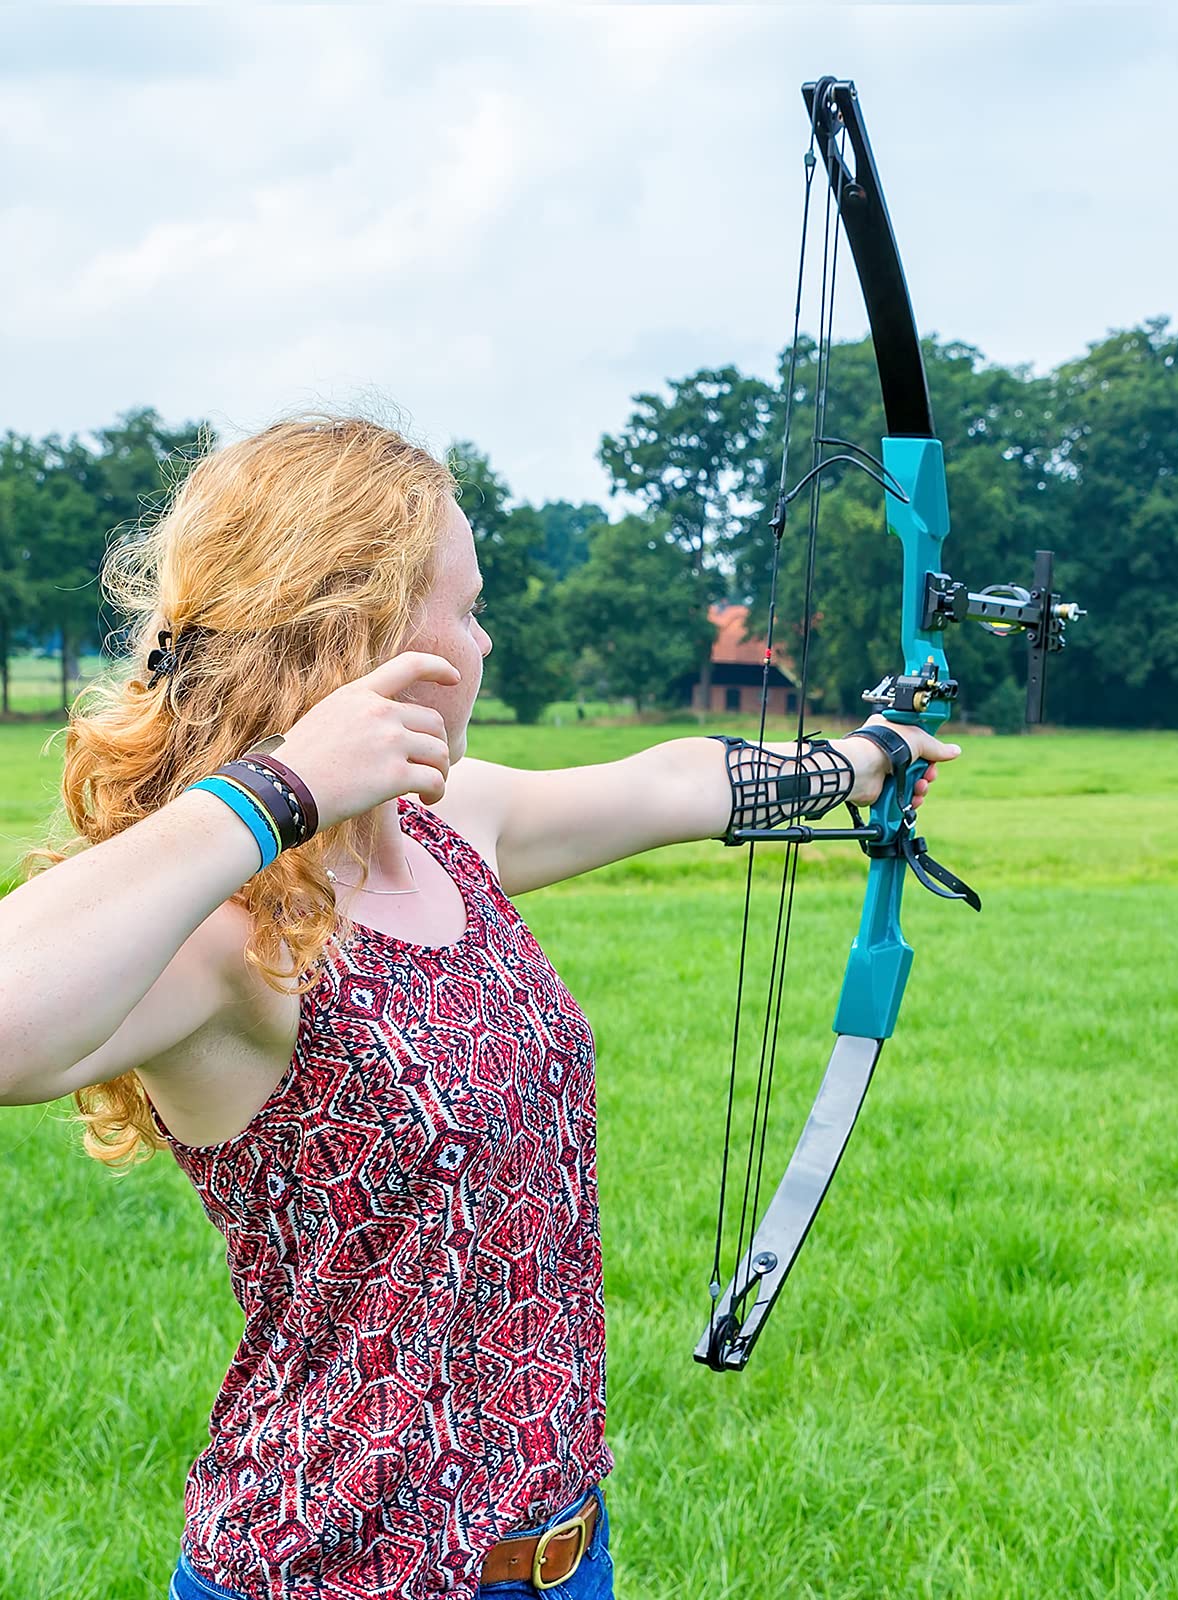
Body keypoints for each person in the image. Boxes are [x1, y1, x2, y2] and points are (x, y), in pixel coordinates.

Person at [0, 416, 959, 1600]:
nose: (485, 641)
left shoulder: (448, 828)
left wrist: (862, 758)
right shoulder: (228, 924)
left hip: (556, 1554)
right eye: (466, 607)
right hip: (334, 1572)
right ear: (364, 636)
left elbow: (661, 783)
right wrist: (284, 786)